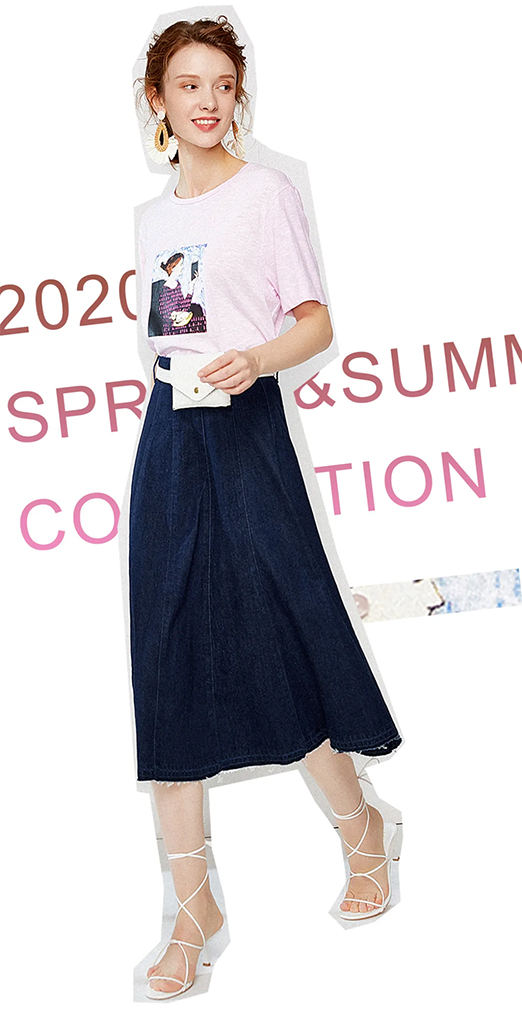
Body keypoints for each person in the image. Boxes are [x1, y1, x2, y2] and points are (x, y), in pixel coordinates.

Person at [131, 14, 403, 1000]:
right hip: (171, 437)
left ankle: (362, 825)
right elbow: (174, 328)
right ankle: (190, 907)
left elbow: (315, 322)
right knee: (165, 655)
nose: (207, 100)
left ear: (237, 94)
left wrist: (258, 359)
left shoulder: (268, 192)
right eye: (188, 84)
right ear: (157, 100)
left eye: (221, 83)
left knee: (280, 633)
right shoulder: (152, 218)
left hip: (248, 433)